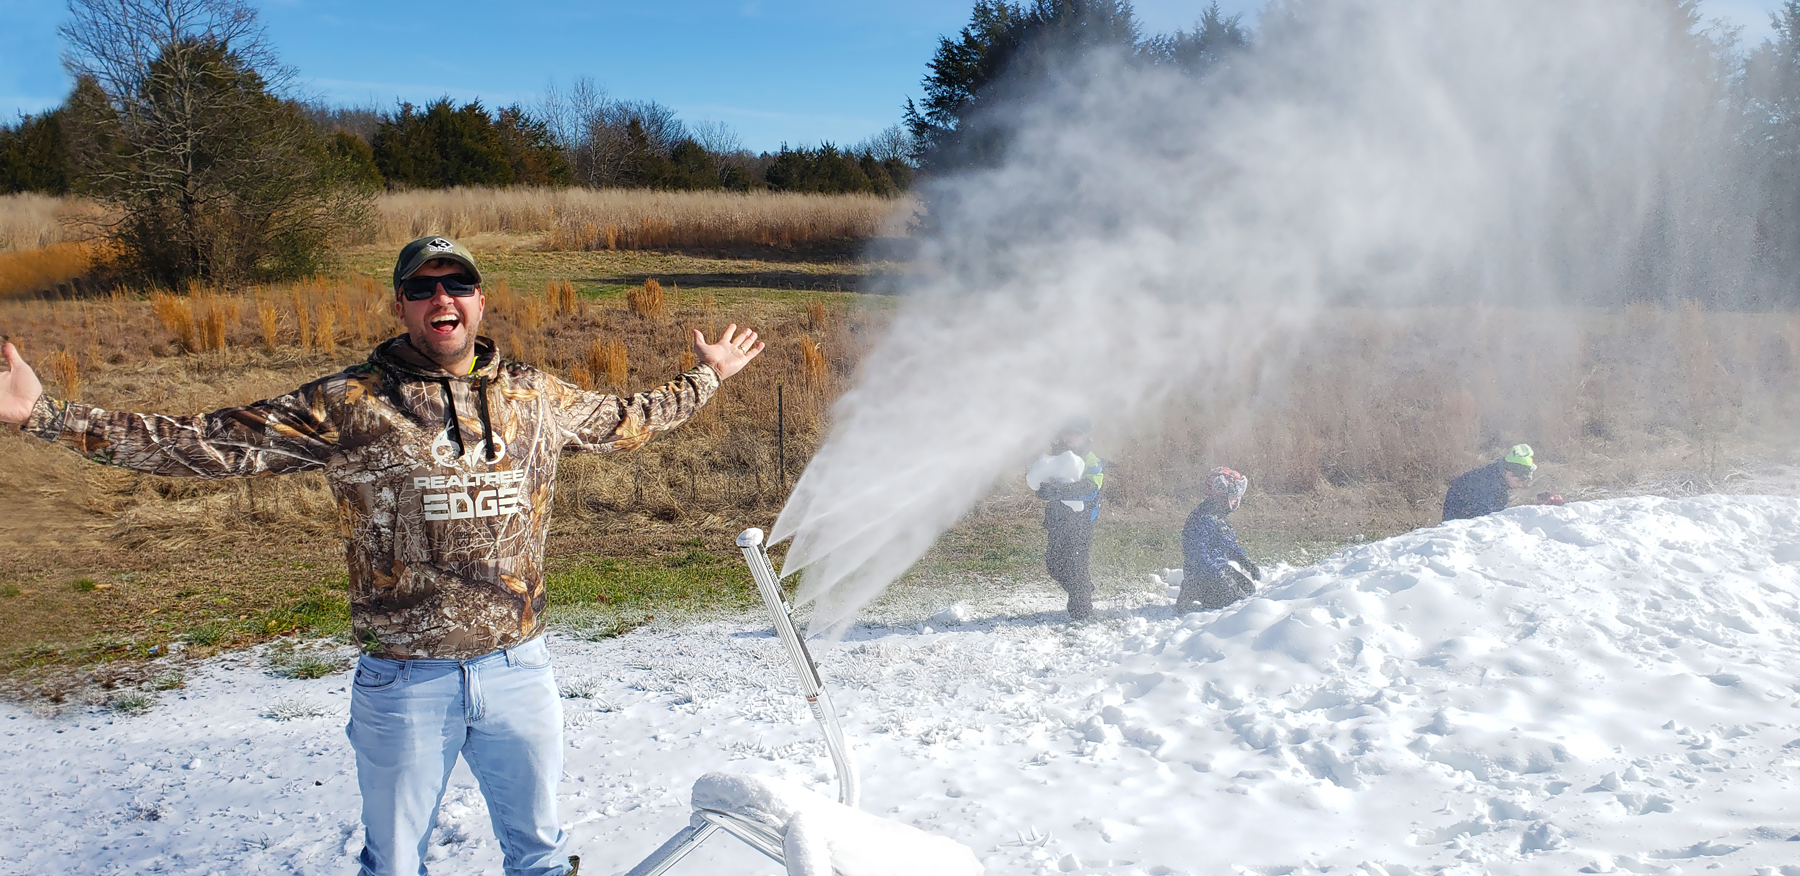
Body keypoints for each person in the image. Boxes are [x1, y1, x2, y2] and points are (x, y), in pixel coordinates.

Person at [0, 235, 766, 876]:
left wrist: (709, 376)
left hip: (517, 670)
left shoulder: (536, 394)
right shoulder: (348, 404)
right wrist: (46, 415)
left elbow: (630, 418)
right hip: (405, 680)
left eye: (457, 285)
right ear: (401, 305)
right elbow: (204, 443)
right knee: (395, 863)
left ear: (480, 300)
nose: (443, 300)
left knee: (539, 854)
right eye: (423, 287)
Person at [1033, 417, 1104, 620]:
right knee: (1054, 564)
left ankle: (1081, 614)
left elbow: (1090, 488)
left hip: (1081, 522)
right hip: (1057, 520)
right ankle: (1082, 589)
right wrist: (1044, 489)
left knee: (1076, 566)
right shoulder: (1056, 455)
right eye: (1068, 432)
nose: (1070, 437)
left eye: (1076, 433)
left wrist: (1059, 490)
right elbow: (1043, 477)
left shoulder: (1091, 460)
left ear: (1085, 436)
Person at [1175, 466, 1262, 613]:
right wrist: (1217, 573)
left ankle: (1205, 589)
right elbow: (1197, 553)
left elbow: (1228, 545)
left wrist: (1246, 562)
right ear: (1221, 496)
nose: (1235, 502)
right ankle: (1191, 590)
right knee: (1233, 602)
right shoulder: (1203, 518)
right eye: (1233, 497)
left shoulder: (1220, 515)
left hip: (1219, 569)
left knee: (1248, 590)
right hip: (1202, 575)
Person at [1442, 443, 1536, 522]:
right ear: (1509, 473)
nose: (1520, 485)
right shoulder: (1487, 485)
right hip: (1460, 527)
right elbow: (1486, 520)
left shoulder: (1497, 479)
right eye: (1519, 480)